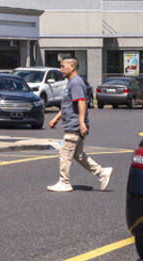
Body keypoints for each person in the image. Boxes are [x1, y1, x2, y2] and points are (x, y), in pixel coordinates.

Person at [47, 57, 111, 193]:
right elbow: (67, 106)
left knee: (65, 154)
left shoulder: (75, 83)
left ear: (72, 68)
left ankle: (64, 182)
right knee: (78, 155)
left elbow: (81, 101)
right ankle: (102, 172)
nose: (61, 69)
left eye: (63, 66)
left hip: (74, 126)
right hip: (74, 124)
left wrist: (81, 122)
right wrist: (56, 118)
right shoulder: (71, 83)